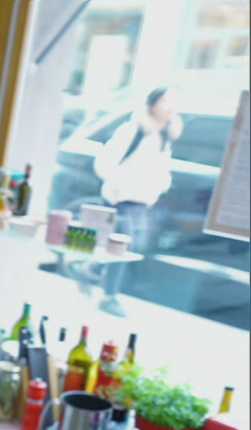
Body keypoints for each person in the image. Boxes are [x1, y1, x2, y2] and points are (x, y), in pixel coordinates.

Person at [91, 86, 183, 317]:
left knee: (117, 247)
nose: (170, 105)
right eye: (165, 100)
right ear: (152, 103)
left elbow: (161, 169)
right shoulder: (133, 130)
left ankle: (88, 269)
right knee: (121, 249)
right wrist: (119, 188)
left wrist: (158, 188)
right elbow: (104, 163)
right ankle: (108, 296)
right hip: (119, 200)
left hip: (140, 202)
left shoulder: (164, 136)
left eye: (174, 101)